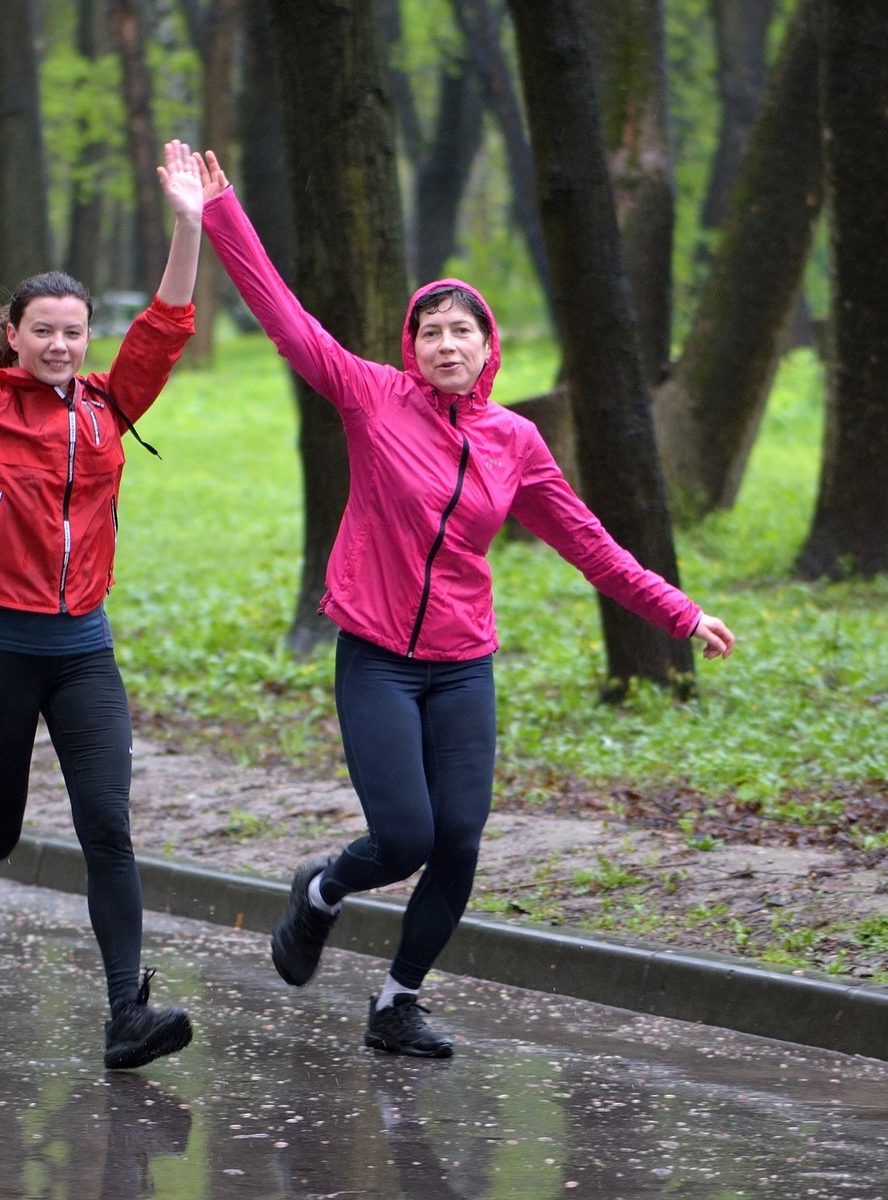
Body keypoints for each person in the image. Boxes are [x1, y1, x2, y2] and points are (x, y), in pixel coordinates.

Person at [196, 150, 736, 1059]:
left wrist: (679, 612)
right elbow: (289, 324)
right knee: (403, 834)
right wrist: (222, 214)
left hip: (462, 662)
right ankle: (321, 893)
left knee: (459, 843)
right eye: (431, 331)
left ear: (489, 349)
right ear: (412, 347)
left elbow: (588, 543)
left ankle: (396, 1003)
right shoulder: (372, 398)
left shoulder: (513, 441)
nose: (446, 345)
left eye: (463, 332)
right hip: (376, 654)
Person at [0, 129, 205, 1070]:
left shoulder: (109, 407)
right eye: (44, 330)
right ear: (14, 335)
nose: (62, 344)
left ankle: (125, 1015)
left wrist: (188, 224)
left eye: (75, 331)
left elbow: (167, 325)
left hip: (82, 648)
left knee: (108, 824)